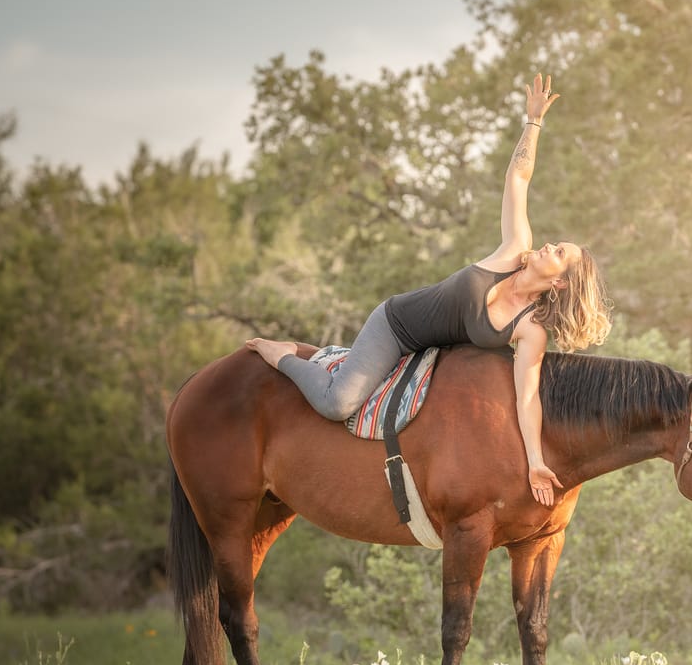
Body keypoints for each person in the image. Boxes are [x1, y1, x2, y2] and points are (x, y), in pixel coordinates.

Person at [246, 73, 611, 507]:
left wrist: (534, 460)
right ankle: (284, 354)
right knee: (338, 402)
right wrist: (533, 124)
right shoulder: (515, 250)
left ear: (562, 281)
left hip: (433, 359)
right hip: (398, 327)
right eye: (555, 242)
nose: (548, 244)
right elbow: (518, 180)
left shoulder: (531, 328)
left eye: (559, 251)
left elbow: (527, 396)